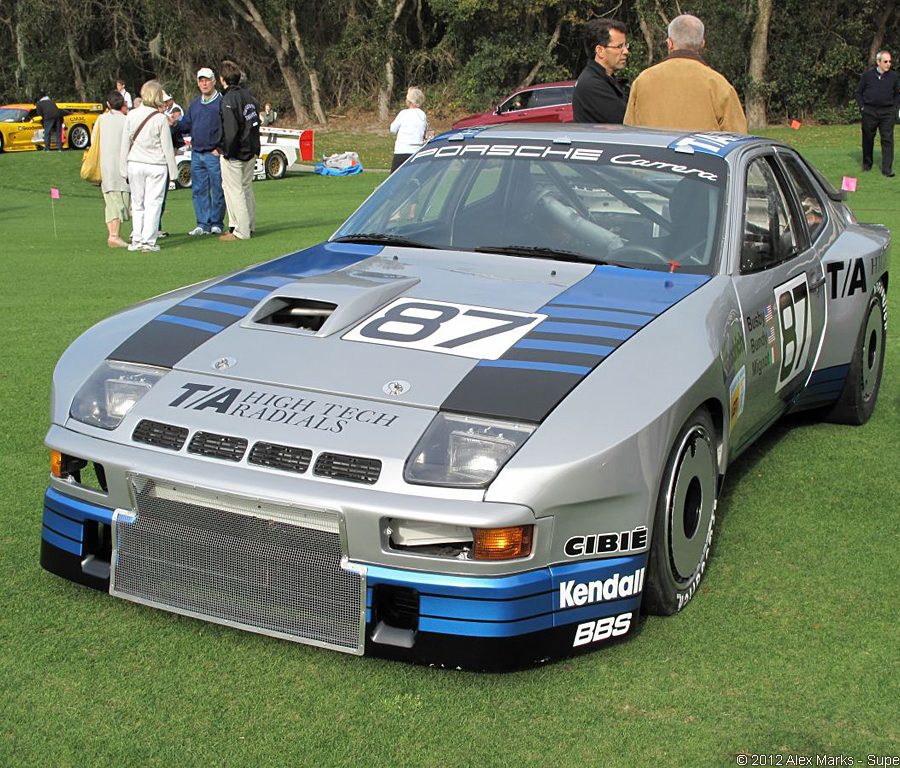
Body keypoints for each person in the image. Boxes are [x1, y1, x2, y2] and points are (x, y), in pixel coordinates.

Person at [624, 14, 747, 133]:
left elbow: (629, 133)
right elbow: (737, 139)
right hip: (702, 154)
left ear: (670, 43)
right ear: (702, 44)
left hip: (652, 154)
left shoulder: (643, 80)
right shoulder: (719, 84)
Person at [119, 80, 176, 253]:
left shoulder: (132, 115)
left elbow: (125, 143)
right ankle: (148, 241)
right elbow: (167, 147)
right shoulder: (160, 119)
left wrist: (123, 167)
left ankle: (137, 238)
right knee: (153, 203)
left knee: (137, 203)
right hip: (156, 165)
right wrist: (173, 172)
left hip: (135, 164)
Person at [217, 60, 261, 241]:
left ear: (222, 79)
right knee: (245, 188)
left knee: (235, 191)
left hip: (236, 152)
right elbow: (255, 124)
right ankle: (248, 225)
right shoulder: (249, 96)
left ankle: (241, 231)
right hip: (250, 150)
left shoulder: (228, 99)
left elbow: (231, 130)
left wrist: (226, 151)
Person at [179, 66, 225, 236]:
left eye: (207, 80)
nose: (204, 83)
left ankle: (216, 223)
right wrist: (174, 123)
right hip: (197, 154)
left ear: (213, 81)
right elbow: (186, 125)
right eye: (201, 80)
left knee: (218, 189)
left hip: (214, 154)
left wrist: (220, 148)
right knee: (199, 190)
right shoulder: (195, 104)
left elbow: (227, 128)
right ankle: (202, 223)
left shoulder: (221, 102)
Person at [572, 18, 630, 124]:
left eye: (626, 45)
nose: (626, 51)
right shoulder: (592, 84)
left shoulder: (604, 79)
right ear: (600, 51)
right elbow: (628, 121)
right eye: (619, 46)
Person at [94, 90, 131, 248]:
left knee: (111, 201)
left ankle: (113, 234)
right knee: (122, 201)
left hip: (106, 166)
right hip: (123, 166)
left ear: (108, 104)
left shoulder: (101, 119)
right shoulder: (127, 120)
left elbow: (93, 139)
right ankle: (115, 235)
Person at [857, 50, 899, 177]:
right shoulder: (867, 76)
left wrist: (894, 107)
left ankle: (887, 169)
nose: (888, 64)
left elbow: (898, 93)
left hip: (887, 112)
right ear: (878, 62)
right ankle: (867, 165)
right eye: (885, 61)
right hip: (870, 111)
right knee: (868, 138)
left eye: (890, 61)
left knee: (887, 140)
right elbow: (859, 92)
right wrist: (863, 107)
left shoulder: (894, 76)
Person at [389, 87, 427, 173]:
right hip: (416, 151)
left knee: (395, 179)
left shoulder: (404, 113)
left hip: (402, 150)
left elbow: (393, 129)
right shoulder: (422, 115)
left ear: (409, 101)